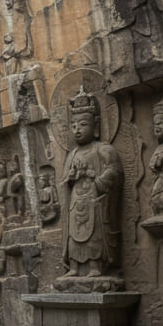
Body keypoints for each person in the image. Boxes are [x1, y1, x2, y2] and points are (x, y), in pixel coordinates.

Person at [61, 87, 122, 278]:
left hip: (94, 200)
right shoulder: (72, 154)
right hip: (75, 201)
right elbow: (64, 183)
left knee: (94, 232)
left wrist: (96, 178)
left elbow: (115, 172)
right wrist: (70, 178)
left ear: (96, 126)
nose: (77, 130)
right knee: (73, 234)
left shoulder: (103, 149)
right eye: (73, 126)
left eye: (83, 124)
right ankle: (74, 267)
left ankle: (95, 266)